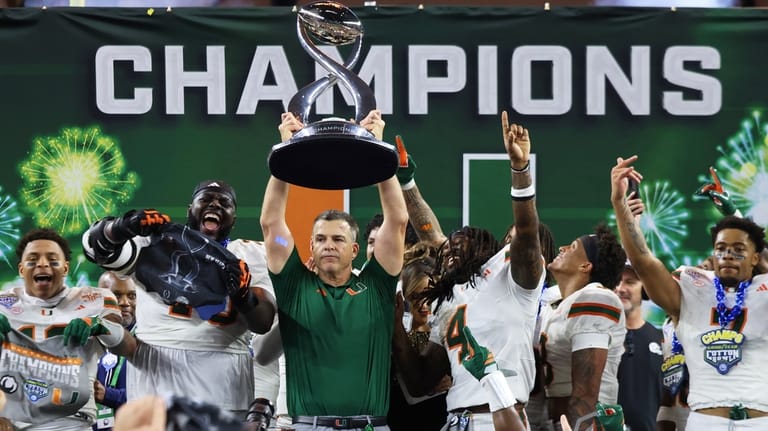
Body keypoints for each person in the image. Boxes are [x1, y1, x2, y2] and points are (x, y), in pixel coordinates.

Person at [391, 112, 551, 431]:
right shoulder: (451, 301)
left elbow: (527, 230)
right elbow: (420, 381)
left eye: (458, 245)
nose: (447, 250)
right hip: (454, 421)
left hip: (497, 420)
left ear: (485, 251)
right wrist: (406, 181)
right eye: (446, 249)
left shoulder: (514, 280)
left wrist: (520, 170)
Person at [260, 109, 408, 430]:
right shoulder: (294, 287)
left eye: (338, 239)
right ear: (310, 248)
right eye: (321, 239)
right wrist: (284, 153)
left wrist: (380, 151)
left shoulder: (378, 287)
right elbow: (271, 224)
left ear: (355, 250)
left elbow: (397, 221)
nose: (329, 245)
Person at [82, 183, 277, 417]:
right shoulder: (156, 243)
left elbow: (263, 322)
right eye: (205, 200)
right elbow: (94, 248)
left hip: (222, 377)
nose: (214, 204)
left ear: (233, 219)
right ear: (189, 209)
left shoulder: (250, 255)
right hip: (155, 369)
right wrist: (121, 227)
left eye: (224, 203)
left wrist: (244, 297)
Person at [612, 155, 768, 430]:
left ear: (756, 258)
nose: (727, 256)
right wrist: (620, 205)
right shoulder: (694, 287)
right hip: (706, 420)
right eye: (720, 249)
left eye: (739, 250)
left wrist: (736, 218)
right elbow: (643, 262)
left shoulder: (763, 291)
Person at [0, 228, 137, 431]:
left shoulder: (96, 298)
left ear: (65, 268)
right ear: (21, 269)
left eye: (52, 259)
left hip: (73, 421)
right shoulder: (4, 302)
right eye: (33, 259)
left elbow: (128, 348)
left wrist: (100, 325)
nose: (43, 264)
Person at [539, 223, 627, 431]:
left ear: (585, 266)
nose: (562, 248)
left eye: (573, 247)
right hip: (556, 422)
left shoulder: (595, 298)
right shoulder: (555, 302)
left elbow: (586, 394)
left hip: (587, 424)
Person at [388, 242, 449, 431]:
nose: (423, 304)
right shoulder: (392, 336)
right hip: (399, 420)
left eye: (429, 296)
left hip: (440, 420)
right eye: (415, 297)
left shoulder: (445, 336)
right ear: (404, 298)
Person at [615, 262, 663, 431]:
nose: (621, 288)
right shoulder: (598, 338)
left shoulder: (662, 339)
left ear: (644, 288)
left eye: (630, 282)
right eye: (616, 281)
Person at [92, 271, 138, 431]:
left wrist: (108, 395)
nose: (125, 302)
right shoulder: (86, 337)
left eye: (132, 296)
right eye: (116, 296)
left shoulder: (150, 340)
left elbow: (157, 394)